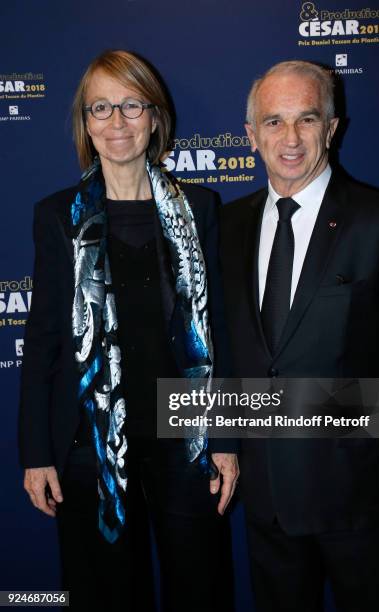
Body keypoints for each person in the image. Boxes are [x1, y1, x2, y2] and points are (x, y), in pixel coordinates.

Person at [19, 49, 238, 612]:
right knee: (106, 593)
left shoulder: (203, 208)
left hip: (186, 436)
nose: (117, 122)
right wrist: (35, 454)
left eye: (131, 105)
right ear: (85, 124)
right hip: (90, 440)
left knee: (200, 587)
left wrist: (230, 441)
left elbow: (223, 332)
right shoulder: (57, 216)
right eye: (101, 108)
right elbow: (42, 338)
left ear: (155, 116)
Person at [220, 60, 379, 612]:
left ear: (331, 127)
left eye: (307, 119)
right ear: (251, 137)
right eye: (273, 122)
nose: (291, 138)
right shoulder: (226, 227)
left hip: (361, 507)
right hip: (267, 503)